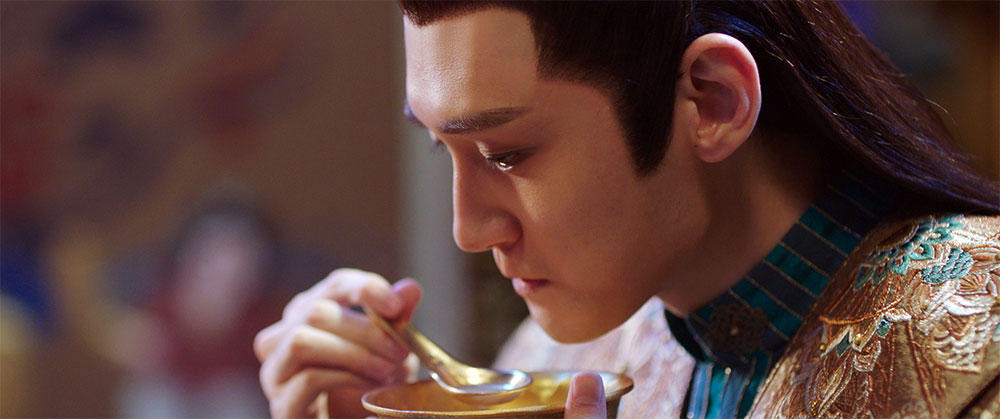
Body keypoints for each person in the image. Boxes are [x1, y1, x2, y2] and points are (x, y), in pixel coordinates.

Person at [254, 2, 1000, 418]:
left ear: (713, 100)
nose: (469, 229)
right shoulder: (560, 364)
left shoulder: (979, 341)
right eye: (439, 146)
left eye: (506, 154)